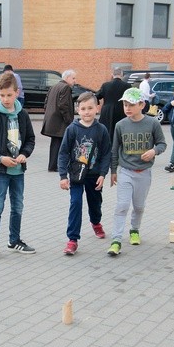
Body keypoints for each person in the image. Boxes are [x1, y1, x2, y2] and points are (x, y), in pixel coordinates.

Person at [0, 72, 36, 262]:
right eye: (2, 95)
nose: (5, 99)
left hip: (18, 171)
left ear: (16, 92)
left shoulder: (23, 114)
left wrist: (24, 154)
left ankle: (14, 240)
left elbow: (30, 139)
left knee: (17, 206)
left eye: (9, 95)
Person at [107, 88, 167, 256]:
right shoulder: (120, 125)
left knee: (139, 207)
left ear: (142, 104)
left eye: (131, 104)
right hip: (125, 171)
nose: (127, 108)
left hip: (144, 173)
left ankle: (134, 230)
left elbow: (162, 144)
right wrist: (113, 171)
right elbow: (114, 149)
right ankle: (116, 240)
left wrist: (154, 151)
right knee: (122, 206)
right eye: (125, 104)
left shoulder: (152, 123)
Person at [57, 92, 111, 255]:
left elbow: (106, 153)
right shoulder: (72, 129)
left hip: (94, 176)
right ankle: (72, 239)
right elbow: (63, 152)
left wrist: (103, 174)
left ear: (97, 108)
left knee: (95, 203)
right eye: (83, 109)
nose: (87, 112)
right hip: (76, 176)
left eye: (90, 108)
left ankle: (96, 222)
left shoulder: (101, 129)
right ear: (78, 110)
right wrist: (63, 176)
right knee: (75, 203)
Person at [42, 70, 77, 172]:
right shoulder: (65, 87)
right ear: (66, 78)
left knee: (55, 144)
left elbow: (46, 103)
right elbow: (63, 105)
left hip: (52, 120)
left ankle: (53, 165)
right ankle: (55, 166)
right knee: (59, 144)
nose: (75, 81)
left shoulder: (54, 86)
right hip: (59, 122)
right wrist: (69, 121)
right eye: (73, 78)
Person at [96, 67, 132, 140]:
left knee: (106, 131)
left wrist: (96, 105)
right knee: (120, 131)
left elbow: (97, 96)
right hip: (121, 110)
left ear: (112, 74)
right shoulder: (127, 86)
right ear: (122, 75)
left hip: (107, 110)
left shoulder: (105, 85)